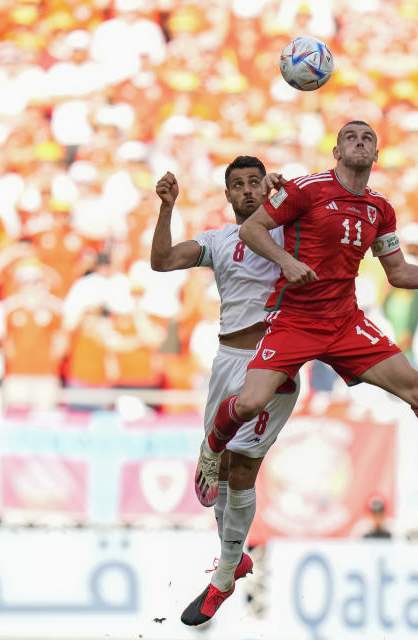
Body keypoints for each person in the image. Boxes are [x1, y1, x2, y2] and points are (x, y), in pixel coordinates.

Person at [200, 120, 418, 509]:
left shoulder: (380, 208)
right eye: (350, 138)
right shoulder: (306, 190)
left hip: (344, 323)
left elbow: (398, 272)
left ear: (376, 155)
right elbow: (251, 231)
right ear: (337, 152)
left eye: (368, 139)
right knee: (247, 404)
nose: (360, 143)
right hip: (295, 319)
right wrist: (286, 262)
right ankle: (211, 449)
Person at [147, 157, 301, 626]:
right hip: (226, 363)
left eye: (256, 182)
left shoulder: (286, 233)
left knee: (240, 470)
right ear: (228, 196)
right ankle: (234, 559)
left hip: (272, 364)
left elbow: (313, 213)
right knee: (224, 469)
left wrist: (285, 194)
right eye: (238, 185)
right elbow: (161, 261)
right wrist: (167, 208)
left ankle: (226, 574)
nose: (249, 191)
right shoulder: (218, 241)